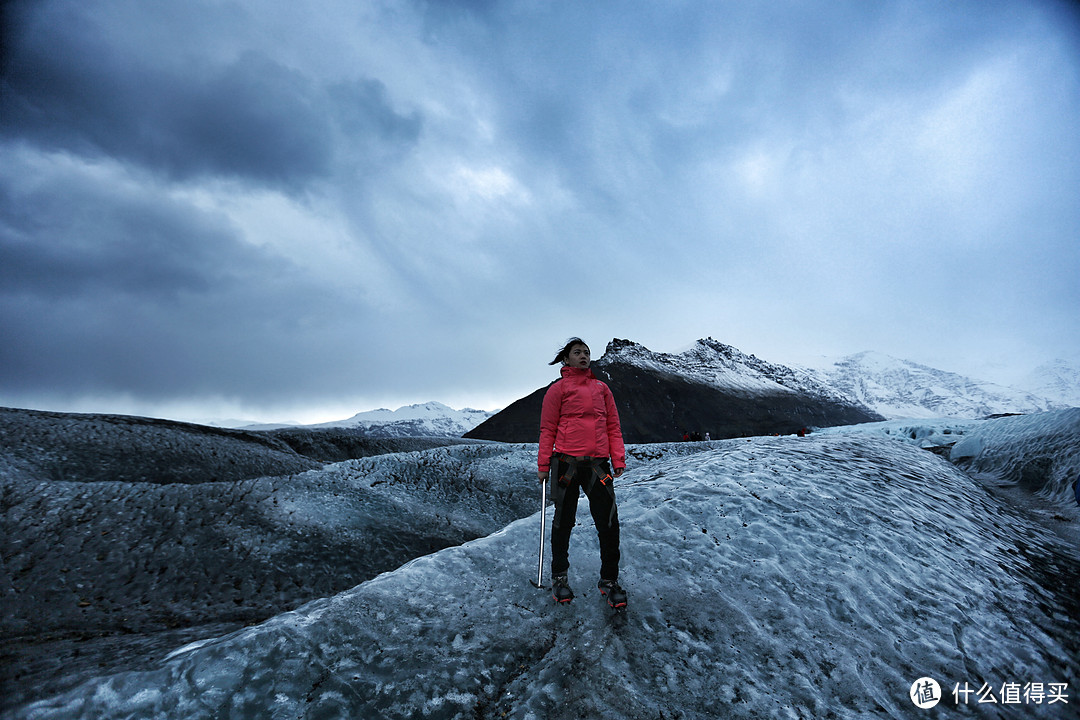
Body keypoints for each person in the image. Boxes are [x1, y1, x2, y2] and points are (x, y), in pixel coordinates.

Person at [537, 338, 627, 608]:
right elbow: (547, 429)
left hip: (598, 465)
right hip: (566, 464)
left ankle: (609, 581)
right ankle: (559, 577)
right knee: (563, 522)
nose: (584, 356)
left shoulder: (602, 389)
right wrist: (543, 466)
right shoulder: (557, 390)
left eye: (586, 352)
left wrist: (618, 457)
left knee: (608, 523)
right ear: (566, 359)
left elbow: (613, 424)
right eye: (577, 352)